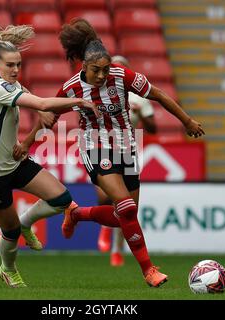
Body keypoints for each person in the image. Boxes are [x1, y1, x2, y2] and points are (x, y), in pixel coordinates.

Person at [55, 18, 205, 287]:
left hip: (126, 146)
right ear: (84, 66)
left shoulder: (122, 75)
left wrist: (187, 121)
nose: (102, 76)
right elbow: (49, 111)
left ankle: (77, 213)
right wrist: (29, 139)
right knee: (124, 205)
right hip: (94, 145)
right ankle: (149, 269)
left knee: (125, 215)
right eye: (96, 71)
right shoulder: (71, 88)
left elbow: (157, 94)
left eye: (105, 69)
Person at [0, 10, 100, 288]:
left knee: (61, 199)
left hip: (12, 161)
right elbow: (41, 104)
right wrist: (79, 103)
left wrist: (25, 141)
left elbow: (37, 110)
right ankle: (8, 268)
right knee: (10, 230)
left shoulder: (9, 85)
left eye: (18, 64)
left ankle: (28, 222)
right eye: (10, 65)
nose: (15, 70)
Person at [96, 55, 157, 267]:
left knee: (126, 205)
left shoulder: (139, 97)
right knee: (105, 198)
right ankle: (105, 228)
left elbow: (153, 128)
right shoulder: (100, 92)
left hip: (127, 151)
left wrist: (141, 114)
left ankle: (117, 250)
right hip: (102, 149)